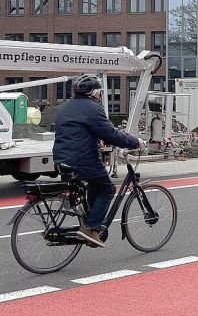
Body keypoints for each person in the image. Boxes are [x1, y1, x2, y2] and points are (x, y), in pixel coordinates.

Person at [53, 74, 145, 248]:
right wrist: (135, 141)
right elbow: (111, 134)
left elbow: (75, 131)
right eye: (100, 92)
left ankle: (89, 224)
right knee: (108, 189)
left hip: (61, 159)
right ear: (95, 93)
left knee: (95, 185)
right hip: (83, 160)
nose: (101, 96)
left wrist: (95, 140)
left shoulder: (65, 107)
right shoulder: (93, 108)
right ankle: (90, 228)